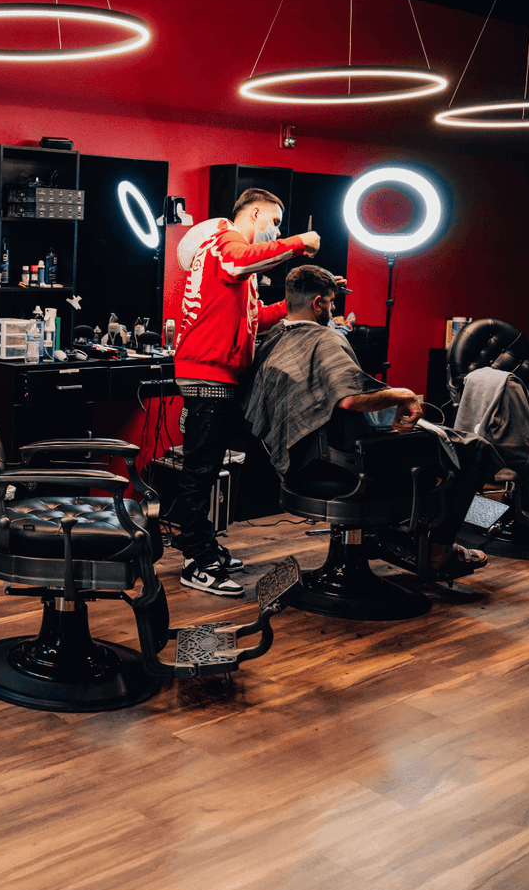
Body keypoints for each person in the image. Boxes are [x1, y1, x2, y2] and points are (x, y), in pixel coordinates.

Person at [243, 264, 495, 569]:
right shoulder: (323, 341)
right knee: (474, 448)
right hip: (344, 465)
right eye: (331, 302)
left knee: (422, 442)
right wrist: (403, 394)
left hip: (301, 462)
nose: (333, 308)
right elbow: (350, 399)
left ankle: (389, 537)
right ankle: (439, 549)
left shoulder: (274, 338)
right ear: (317, 304)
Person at [170, 188, 321, 597]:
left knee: (208, 466)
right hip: (208, 376)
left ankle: (202, 546)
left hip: (214, 374)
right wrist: (296, 245)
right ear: (256, 213)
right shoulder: (225, 242)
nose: (275, 230)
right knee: (200, 472)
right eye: (273, 222)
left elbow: (255, 318)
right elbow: (240, 261)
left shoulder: (228, 260)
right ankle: (194, 561)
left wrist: (302, 304)